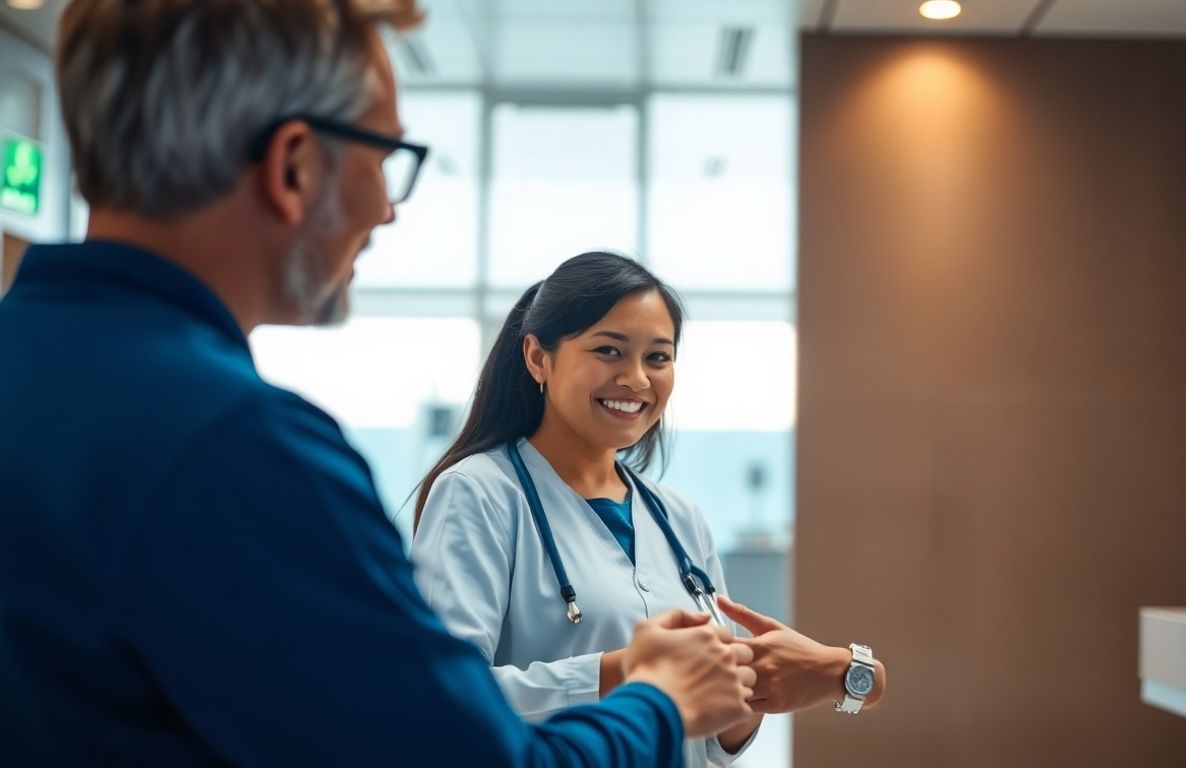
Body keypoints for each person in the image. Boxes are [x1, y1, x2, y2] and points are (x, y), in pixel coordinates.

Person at [0, 2, 757, 765]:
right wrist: (656, 697)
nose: (386, 209)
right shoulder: (237, 450)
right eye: (382, 158)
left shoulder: (33, 365)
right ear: (294, 165)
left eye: (659, 356)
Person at [410, 253, 888, 768]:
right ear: (537, 358)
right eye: (609, 350)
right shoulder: (479, 493)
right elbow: (440, 699)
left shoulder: (680, 519)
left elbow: (707, 746)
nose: (637, 379)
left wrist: (754, 692)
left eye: (658, 358)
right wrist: (627, 671)